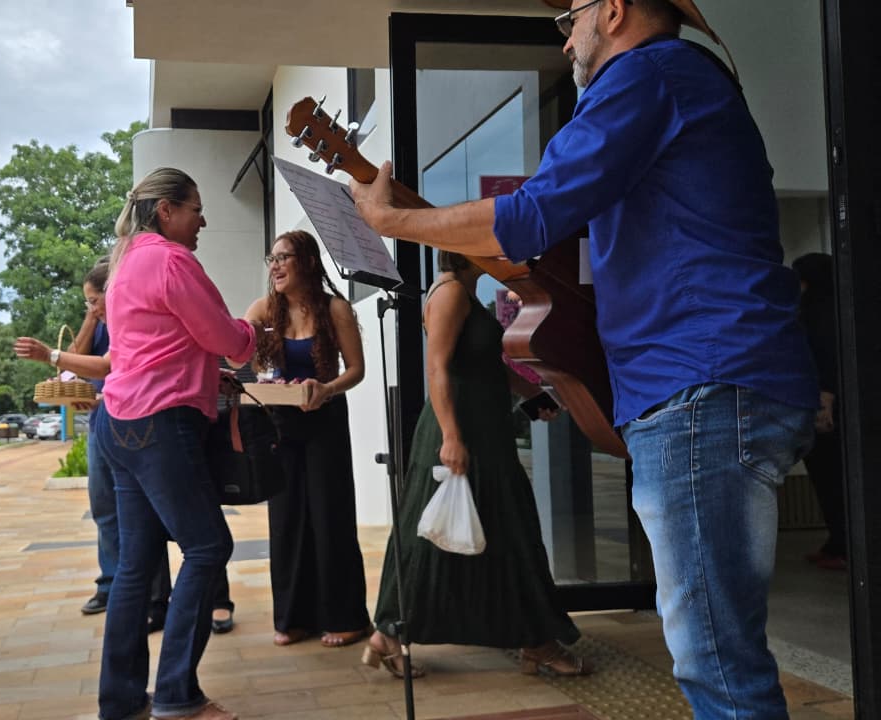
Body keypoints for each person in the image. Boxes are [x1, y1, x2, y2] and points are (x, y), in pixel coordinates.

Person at [350, 1, 818, 716]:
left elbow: (533, 214)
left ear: (616, 10)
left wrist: (390, 221)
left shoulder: (646, 73)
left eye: (569, 17)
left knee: (716, 661)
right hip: (716, 380)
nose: (565, 38)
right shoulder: (678, 80)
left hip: (701, 383)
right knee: (721, 650)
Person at [366, 250, 588, 679]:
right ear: (466, 253)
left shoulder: (465, 293)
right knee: (482, 531)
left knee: (495, 531)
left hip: (484, 432)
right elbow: (437, 368)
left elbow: (487, 365)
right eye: (494, 248)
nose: (504, 255)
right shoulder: (450, 294)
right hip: (461, 432)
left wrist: (531, 393)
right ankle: (534, 640)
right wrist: (451, 437)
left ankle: (394, 634)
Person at [92, 167, 260, 720]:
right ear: (167, 210)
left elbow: (156, 345)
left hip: (118, 422)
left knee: (136, 567)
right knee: (209, 547)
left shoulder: (122, 264)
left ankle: (121, 702)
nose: (203, 220)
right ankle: (176, 695)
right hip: (160, 424)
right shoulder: (170, 259)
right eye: (195, 209)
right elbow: (226, 339)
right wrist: (255, 331)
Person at [14, 259, 174, 632]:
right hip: (102, 422)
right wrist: (89, 319)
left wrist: (55, 357)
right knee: (104, 507)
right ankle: (112, 583)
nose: (91, 307)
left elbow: (106, 367)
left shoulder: (132, 320)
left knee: (142, 513)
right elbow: (69, 368)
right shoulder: (98, 322)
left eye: (93, 300)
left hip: (133, 419)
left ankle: (151, 596)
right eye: (86, 302)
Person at [239, 230, 371, 649]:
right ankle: (294, 618)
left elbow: (356, 369)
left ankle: (347, 618)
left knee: (330, 518)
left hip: (325, 419)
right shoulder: (264, 310)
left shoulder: (335, 309)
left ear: (308, 262)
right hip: (280, 421)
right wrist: (248, 338)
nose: (275, 266)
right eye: (271, 258)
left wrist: (327, 388)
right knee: (286, 519)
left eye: (284, 257)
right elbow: (235, 357)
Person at [793, 253, 847, 572]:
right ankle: (837, 540)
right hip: (834, 408)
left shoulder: (817, 314)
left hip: (825, 410)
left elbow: (825, 359)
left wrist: (824, 402)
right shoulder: (840, 308)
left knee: (830, 478)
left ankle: (841, 542)